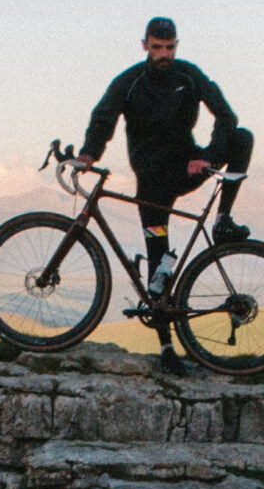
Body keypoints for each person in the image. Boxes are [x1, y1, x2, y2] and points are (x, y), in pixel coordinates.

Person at [77, 18, 254, 308]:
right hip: (151, 186)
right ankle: (166, 345)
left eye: (169, 48)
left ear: (176, 46)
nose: (164, 54)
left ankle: (222, 221)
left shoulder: (189, 75)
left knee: (242, 138)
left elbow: (226, 116)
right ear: (145, 45)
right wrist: (89, 154)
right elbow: (103, 116)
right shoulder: (130, 81)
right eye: (157, 47)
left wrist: (207, 156)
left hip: (187, 168)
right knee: (158, 272)